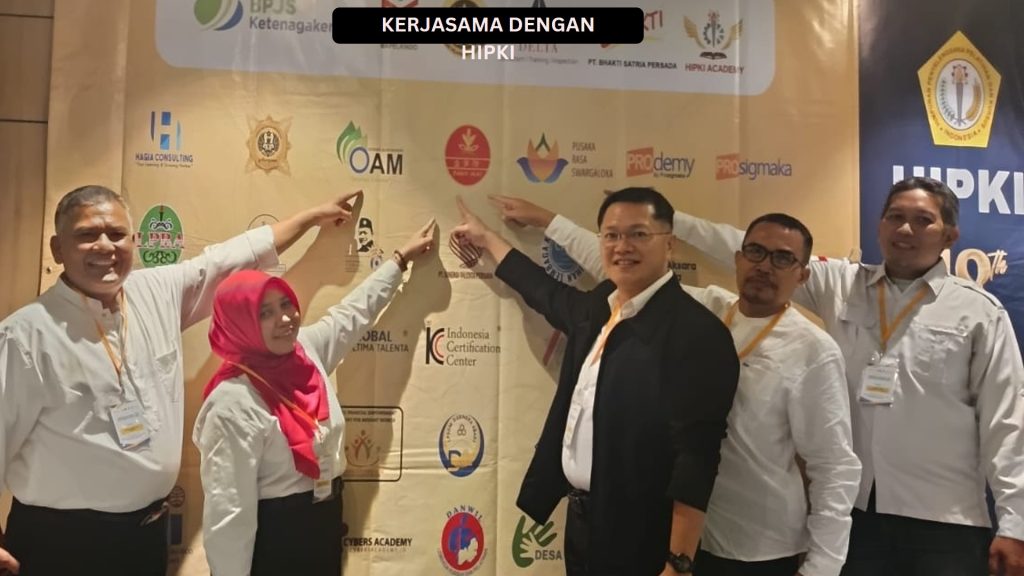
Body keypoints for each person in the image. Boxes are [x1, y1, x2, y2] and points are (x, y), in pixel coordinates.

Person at [584, 176, 1024, 576]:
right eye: (895, 217)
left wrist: (1015, 522)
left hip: (944, 522)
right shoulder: (844, 284)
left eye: (923, 220)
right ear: (879, 226)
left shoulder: (978, 312)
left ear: (949, 236)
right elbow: (742, 245)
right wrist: (653, 223)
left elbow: (1006, 420)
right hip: (856, 520)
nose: (905, 229)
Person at [489, 194, 862, 576]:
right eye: (754, 252)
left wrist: (821, 568)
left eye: (782, 258)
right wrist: (546, 220)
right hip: (673, 534)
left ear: (802, 275)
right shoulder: (707, 309)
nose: (764, 266)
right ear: (738, 258)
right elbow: (623, 271)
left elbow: (833, 466)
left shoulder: (814, 351)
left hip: (753, 548)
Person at [0, 184, 362, 576]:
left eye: (117, 234)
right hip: (61, 544)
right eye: (87, 234)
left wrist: (310, 218)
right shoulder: (25, 336)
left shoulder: (156, 291)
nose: (105, 246)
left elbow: (231, 258)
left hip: (145, 539)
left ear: (134, 241)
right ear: (57, 249)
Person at [452, 188, 740, 575]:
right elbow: (544, 291)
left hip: (643, 533)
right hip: (584, 522)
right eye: (611, 235)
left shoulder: (698, 334)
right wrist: (487, 239)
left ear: (669, 244)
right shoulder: (600, 306)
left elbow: (697, 459)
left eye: (639, 234)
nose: (622, 246)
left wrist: (678, 563)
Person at [194, 219, 435, 576]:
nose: (285, 319)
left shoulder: (303, 351)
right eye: (265, 313)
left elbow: (352, 314)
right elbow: (228, 513)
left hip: (323, 523)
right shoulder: (232, 402)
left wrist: (399, 261)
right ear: (239, 323)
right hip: (277, 539)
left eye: (285, 304)